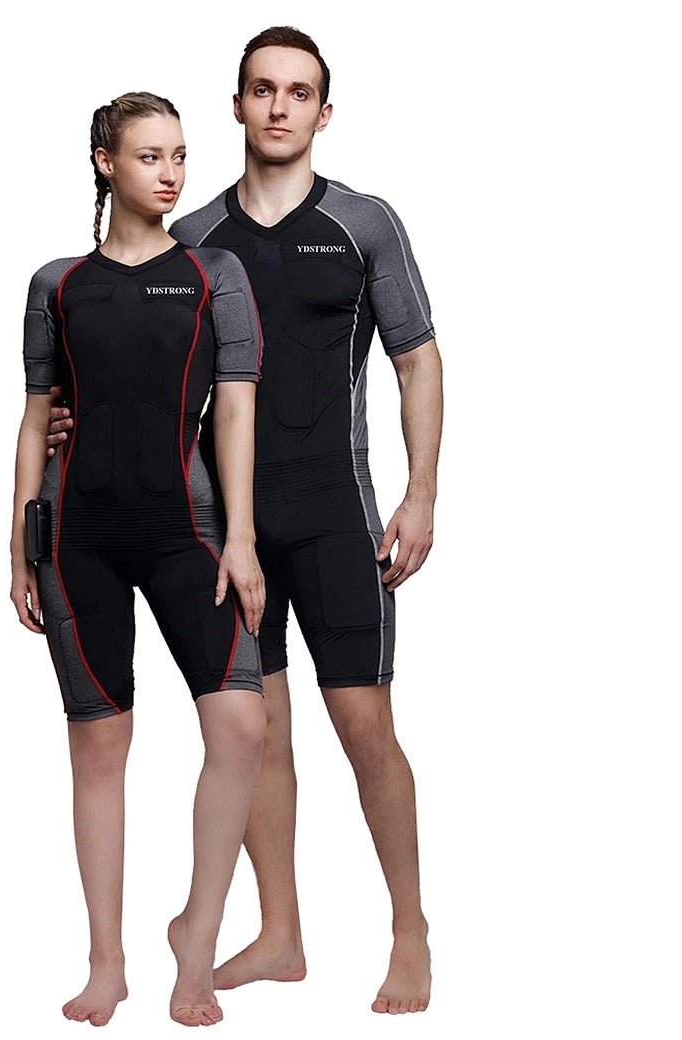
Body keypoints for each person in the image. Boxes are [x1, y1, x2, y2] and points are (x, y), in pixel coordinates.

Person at [44, 28, 443, 1016]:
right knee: (256, 729)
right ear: (236, 104)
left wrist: (421, 493)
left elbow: (417, 359)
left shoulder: (363, 224)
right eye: (262, 89)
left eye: (298, 93)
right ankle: (279, 931)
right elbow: (135, 362)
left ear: (323, 112)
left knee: (364, 724)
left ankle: (409, 929)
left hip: (335, 514)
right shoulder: (193, 239)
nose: (278, 107)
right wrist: (67, 419)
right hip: (225, 528)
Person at [10, 92, 269, 1028]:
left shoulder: (214, 275)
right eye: (151, 155)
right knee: (99, 747)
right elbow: (37, 418)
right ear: (105, 162)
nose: (171, 172)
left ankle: (195, 948)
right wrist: (18, 546)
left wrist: (241, 537)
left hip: (185, 527)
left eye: (181, 155)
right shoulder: (56, 284)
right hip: (75, 534)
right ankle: (107, 962)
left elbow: (233, 408)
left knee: (241, 727)